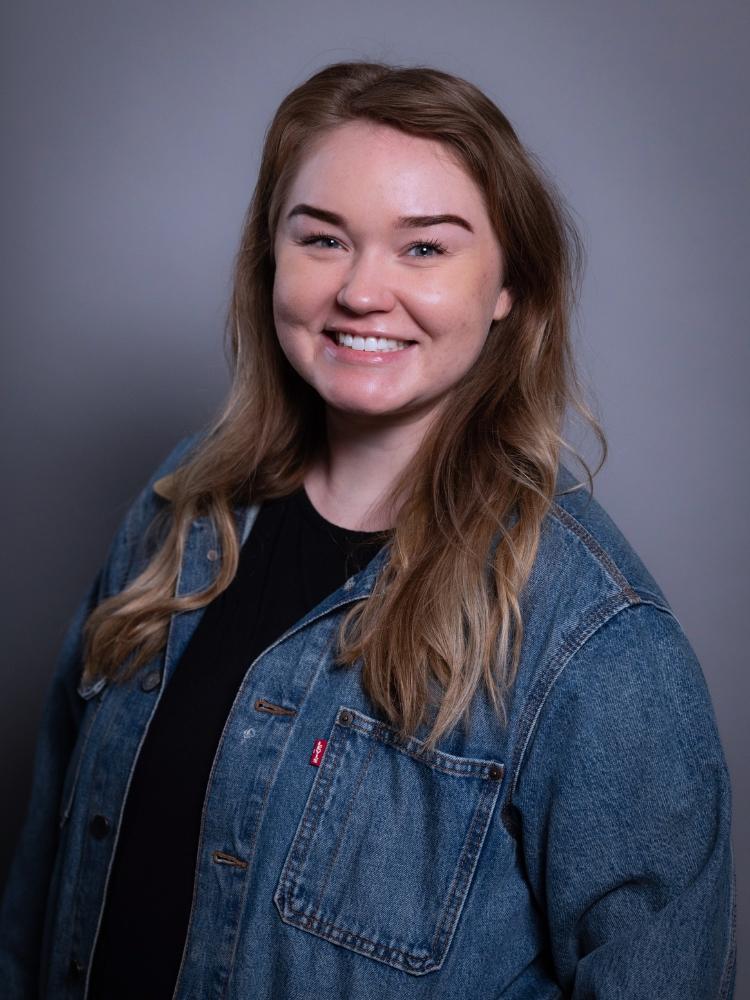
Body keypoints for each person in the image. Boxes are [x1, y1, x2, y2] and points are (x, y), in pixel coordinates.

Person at [0, 60, 735, 999]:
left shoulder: (592, 636)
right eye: (323, 239)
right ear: (271, 258)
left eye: (423, 248)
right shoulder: (178, 510)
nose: (360, 291)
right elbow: (36, 910)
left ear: (510, 285)